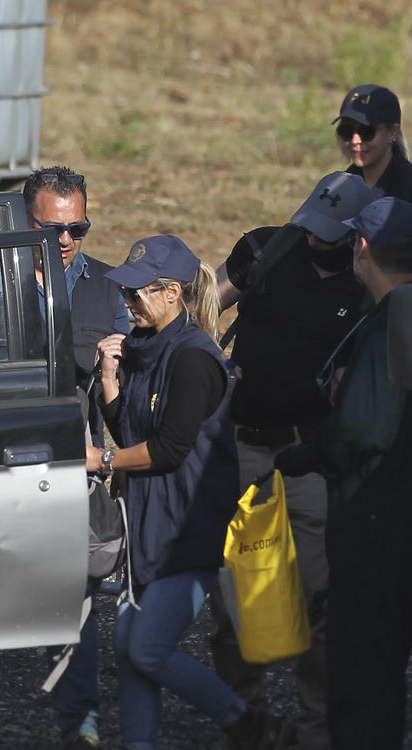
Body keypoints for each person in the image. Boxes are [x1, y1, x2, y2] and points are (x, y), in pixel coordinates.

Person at [0, 167, 127, 750]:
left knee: (75, 591)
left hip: (70, 463)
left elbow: (120, 393)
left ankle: (80, 725)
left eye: (79, 229)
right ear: (23, 221)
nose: (65, 241)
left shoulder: (109, 289)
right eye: (52, 228)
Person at [85, 235, 284, 750]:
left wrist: (102, 460)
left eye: (137, 295)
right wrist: (111, 375)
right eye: (125, 295)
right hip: (150, 526)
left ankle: (247, 721)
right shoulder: (144, 349)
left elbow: (169, 449)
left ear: (172, 292)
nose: (127, 305)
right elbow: (130, 431)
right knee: (129, 646)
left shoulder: (194, 358)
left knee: (147, 649)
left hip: (186, 531)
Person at [273, 198, 412, 749]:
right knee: (384, 670)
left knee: (358, 675)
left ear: (364, 248)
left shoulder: (389, 324)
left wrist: (304, 454)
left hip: (376, 515)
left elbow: (363, 430)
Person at [210, 171, 373, 750]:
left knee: (318, 606)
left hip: (310, 461)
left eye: (329, 234)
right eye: (311, 226)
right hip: (244, 449)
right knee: (232, 601)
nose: (313, 240)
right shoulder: (265, 248)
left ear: (358, 239)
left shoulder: (365, 291)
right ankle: (246, 722)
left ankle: (314, 731)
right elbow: (206, 306)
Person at [334, 83, 412, 217]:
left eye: (367, 132)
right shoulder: (340, 186)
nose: (355, 141)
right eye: (347, 132)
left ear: (392, 133)